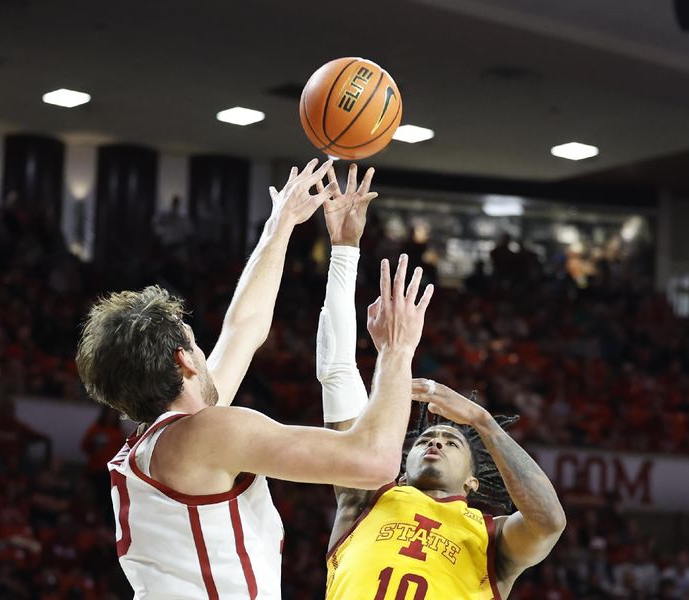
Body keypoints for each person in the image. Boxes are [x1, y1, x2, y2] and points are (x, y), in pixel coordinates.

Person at [75, 159, 435, 599]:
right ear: (184, 362)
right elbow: (373, 463)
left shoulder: (169, 439)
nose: (207, 356)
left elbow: (243, 331)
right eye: (196, 347)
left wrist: (284, 225)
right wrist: (397, 351)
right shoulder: (205, 434)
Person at [314, 167, 566, 599]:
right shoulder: (365, 498)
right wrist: (344, 250)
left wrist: (483, 423)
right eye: (427, 437)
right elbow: (336, 371)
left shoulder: (493, 538)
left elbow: (549, 522)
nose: (435, 442)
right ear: (401, 463)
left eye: (451, 442)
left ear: (472, 482)